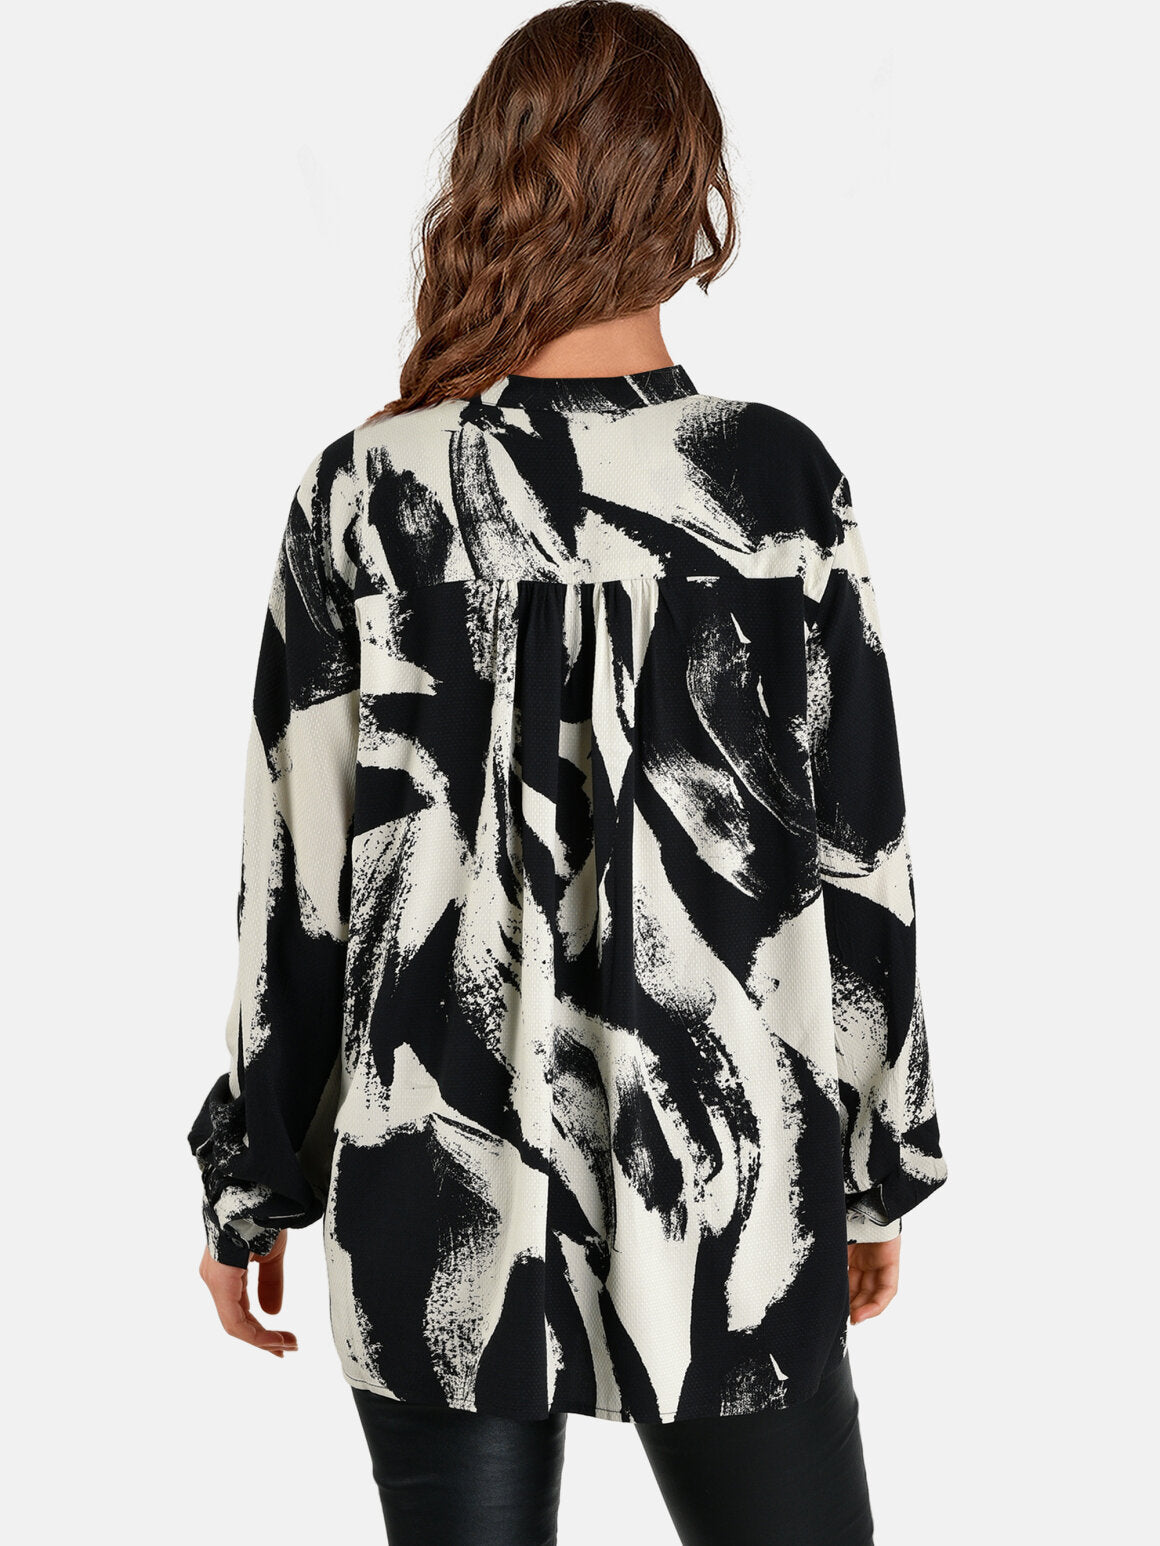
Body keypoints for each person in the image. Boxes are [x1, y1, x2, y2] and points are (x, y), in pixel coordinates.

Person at [187, 3, 949, 1541]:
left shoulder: (369, 492)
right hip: (733, 1192)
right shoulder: (774, 487)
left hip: (433, 1197)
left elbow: (300, 886)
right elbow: (861, 861)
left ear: (494, 181)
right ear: (691, 198)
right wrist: (873, 1164)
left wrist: (252, 1175)